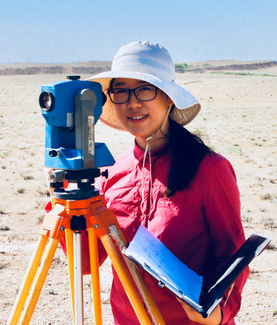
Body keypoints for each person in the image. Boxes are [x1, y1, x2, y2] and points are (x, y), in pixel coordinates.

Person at [59, 41, 249, 325]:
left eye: (145, 89)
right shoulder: (112, 172)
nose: (133, 102)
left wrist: (218, 312)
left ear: (168, 97)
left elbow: (232, 255)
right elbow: (86, 261)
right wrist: (64, 202)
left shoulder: (210, 169)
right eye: (121, 91)